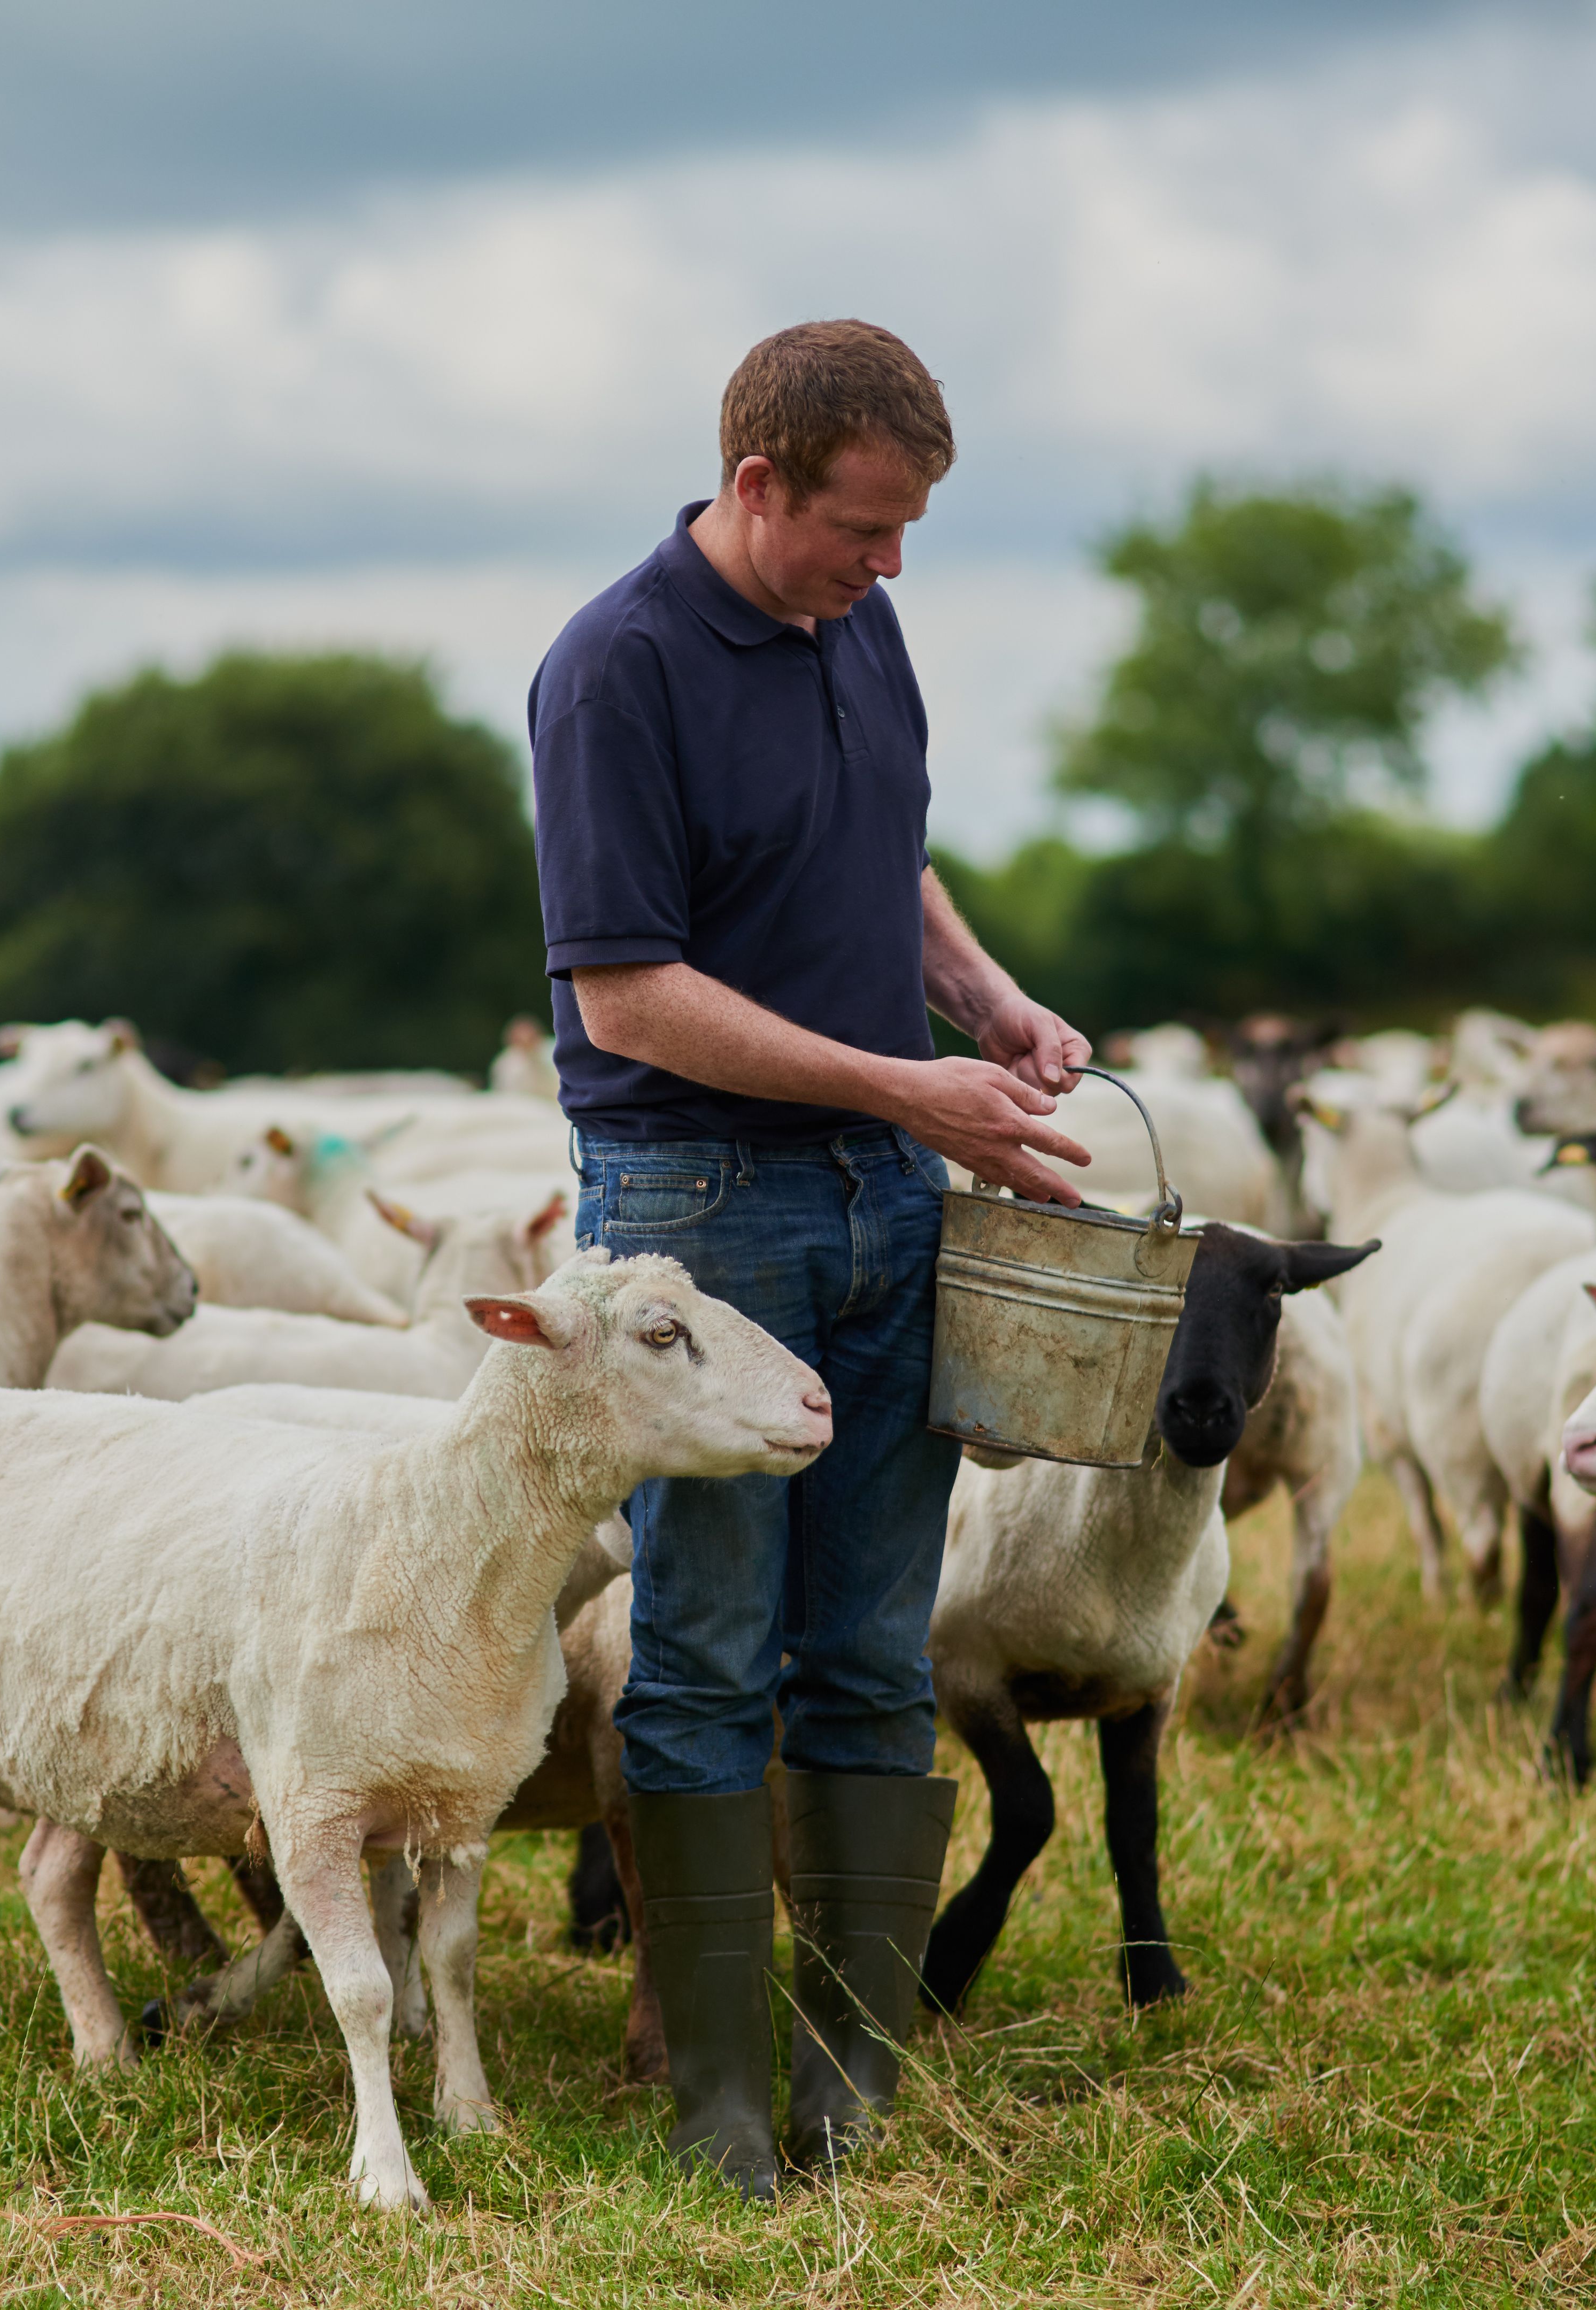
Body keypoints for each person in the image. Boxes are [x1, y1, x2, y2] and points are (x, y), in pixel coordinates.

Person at [526, 318, 1094, 2198]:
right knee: (700, 1652)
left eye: (911, 530)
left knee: (870, 1645)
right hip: (699, 1214)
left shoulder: (856, 625)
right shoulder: (615, 671)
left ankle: (852, 2065)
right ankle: (715, 2092)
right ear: (755, 484)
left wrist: (986, 1003)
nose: (892, 566)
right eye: (864, 528)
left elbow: (884, 857)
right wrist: (896, 1087)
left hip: (883, 1193)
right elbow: (632, 992)